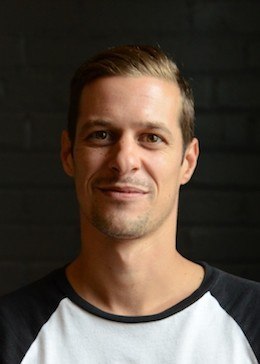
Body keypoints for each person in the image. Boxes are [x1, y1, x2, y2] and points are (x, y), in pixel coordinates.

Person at [0, 45, 259, 364]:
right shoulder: (10, 334)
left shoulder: (253, 322)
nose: (124, 161)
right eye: (101, 135)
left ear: (187, 162)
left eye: (151, 138)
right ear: (69, 155)